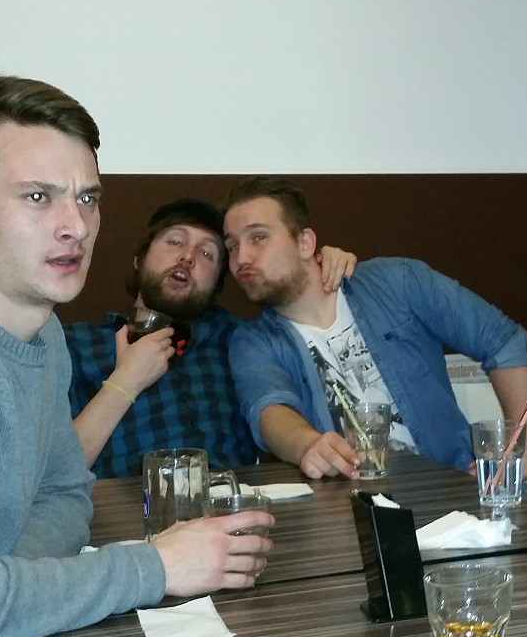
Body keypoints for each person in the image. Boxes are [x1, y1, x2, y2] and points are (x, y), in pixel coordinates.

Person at [0, 74, 273, 637]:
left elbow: (66, 496)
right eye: (38, 197)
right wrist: (155, 566)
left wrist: (5, 581)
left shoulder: (46, 337)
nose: (77, 227)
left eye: (87, 198)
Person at [224, 176, 527, 480]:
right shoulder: (252, 342)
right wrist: (308, 445)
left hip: (453, 486)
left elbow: (503, 341)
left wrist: (522, 452)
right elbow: (268, 409)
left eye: (258, 237)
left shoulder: (397, 282)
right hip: (354, 506)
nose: (241, 258)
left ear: (305, 242)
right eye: (232, 247)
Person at [65, 197, 356, 478]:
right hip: (127, 505)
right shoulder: (77, 345)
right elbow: (55, 471)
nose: (187, 257)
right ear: (139, 259)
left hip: (229, 501)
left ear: (216, 285)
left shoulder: (238, 339)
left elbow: (294, 293)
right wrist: (125, 381)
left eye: (207, 254)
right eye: (175, 242)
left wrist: (319, 263)